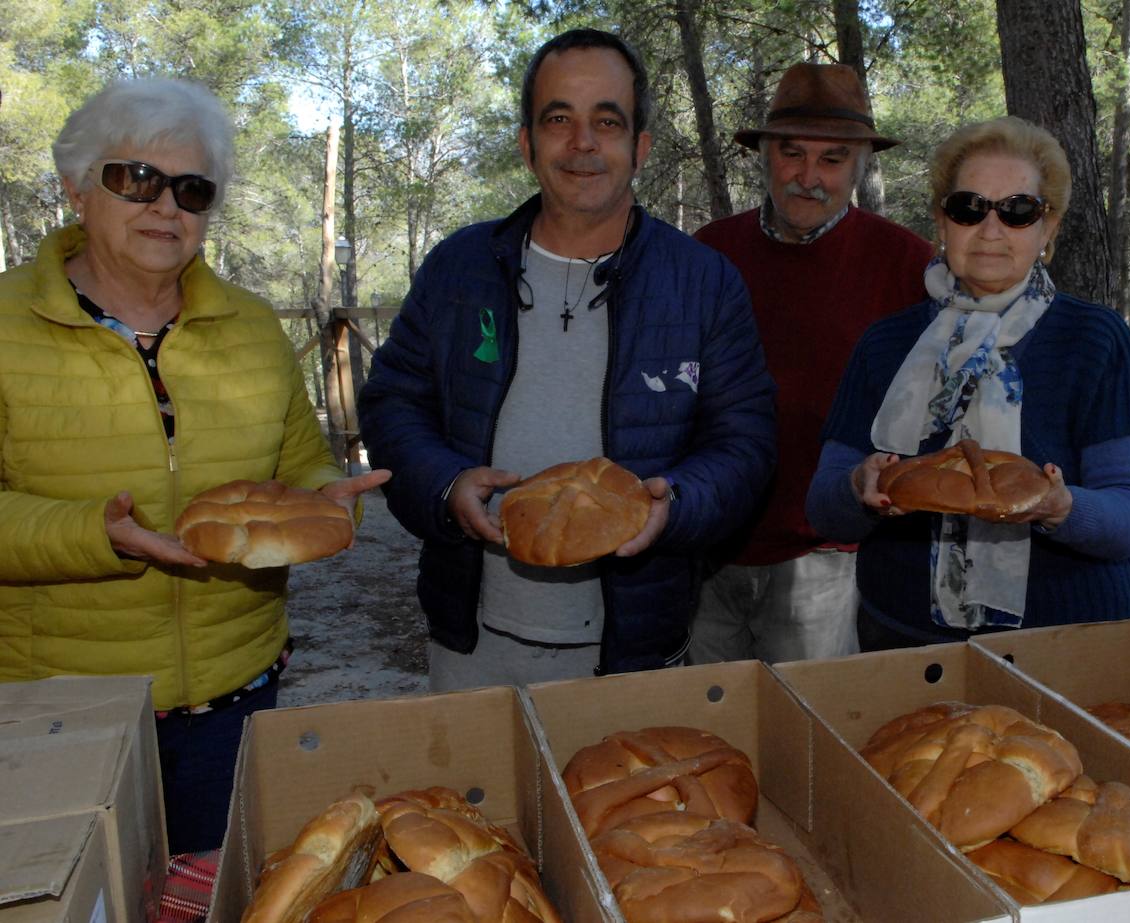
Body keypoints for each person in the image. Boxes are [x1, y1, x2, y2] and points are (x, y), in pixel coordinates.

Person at [0, 78, 388, 853]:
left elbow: (299, 463)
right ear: (77, 187)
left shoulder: (252, 327)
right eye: (135, 178)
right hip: (62, 711)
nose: (165, 206)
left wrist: (326, 497)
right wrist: (95, 534)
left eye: (192, 189)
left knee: (216, 886)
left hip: (235, 697)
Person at [357, 29, 776, 690]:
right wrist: (444, 483)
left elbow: (745, 441)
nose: (583, 143)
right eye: (559, 120)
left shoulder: (704, 283)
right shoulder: (459, 268)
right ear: (527, 144)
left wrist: (678, 503)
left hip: (634, 647)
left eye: (607, 122)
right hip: (473, 641)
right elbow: (393, 401)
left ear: (639, 148)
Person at [806, 116, 1130, 650]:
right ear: (941, 222)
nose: (991, 229)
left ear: (1048, 228)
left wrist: (1061, 507)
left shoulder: (1096, 339)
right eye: (968, 208)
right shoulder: (886, 342)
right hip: (904, 637)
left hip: (1073, 641)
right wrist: (858, 488)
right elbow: (823, 506)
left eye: (1018, 211)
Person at [688, 63, 934, 665]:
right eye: (792, 153)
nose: (808, 177)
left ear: (859, 167)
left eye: (832, 159)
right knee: (706, 713)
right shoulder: (709, 253)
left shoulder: (907, 265)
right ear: (765, 156)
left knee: (807, 717)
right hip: (706, 543)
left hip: (826, 553)